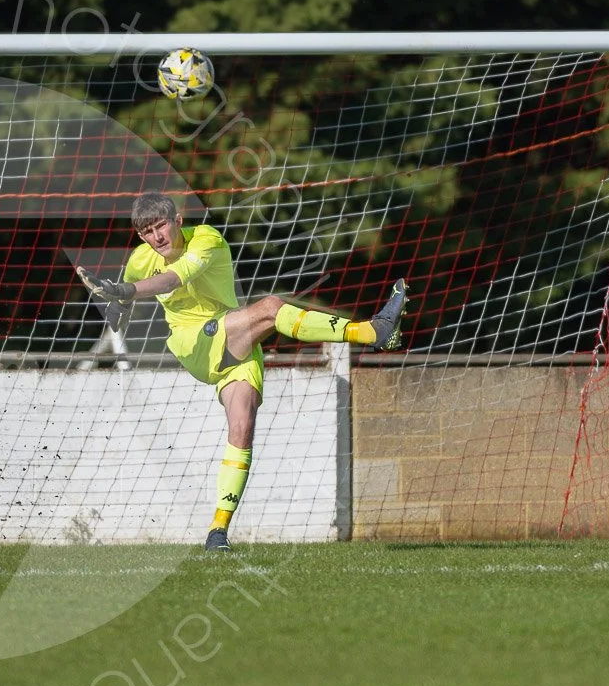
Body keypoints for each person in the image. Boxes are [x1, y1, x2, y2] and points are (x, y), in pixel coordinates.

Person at [77, 191, 406, 551]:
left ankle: (217, 532)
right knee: (270, 307)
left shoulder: (207, 240)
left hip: (233, 341)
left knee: (242, 428)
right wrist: (116, 303)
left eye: (161, 226)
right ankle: (371, 332)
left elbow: (172, 280)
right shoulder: (141, 260)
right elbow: (124, 302)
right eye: (147, 232)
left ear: (178, 222)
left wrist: (124, 291)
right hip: (196, 345)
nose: (156, 237)